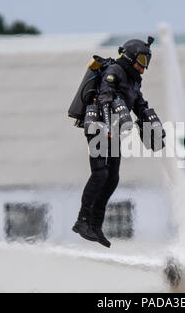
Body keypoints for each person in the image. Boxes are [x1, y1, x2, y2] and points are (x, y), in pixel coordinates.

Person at [72, 37, 163, 248]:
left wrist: (151, 124)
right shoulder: (114, 71)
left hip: (113, 129)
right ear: (130, 56)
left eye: (147, 60)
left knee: (112, 177)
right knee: (100, 173)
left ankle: (95, 225)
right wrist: (106, 127)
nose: (144, 66)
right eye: (141, 59)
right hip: (98, 125)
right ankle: (82, 221)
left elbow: (138, 103)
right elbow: (105, 98)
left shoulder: (134, 80)